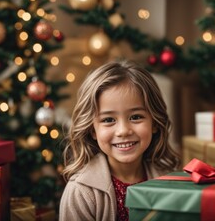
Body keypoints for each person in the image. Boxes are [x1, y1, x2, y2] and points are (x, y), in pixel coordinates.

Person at [59, 60, 180, 221]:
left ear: (155, 124)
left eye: (136, 117)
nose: (123, 131)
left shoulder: (169, 180)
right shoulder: (81, 193)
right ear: (92, 130)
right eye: (108, 120)